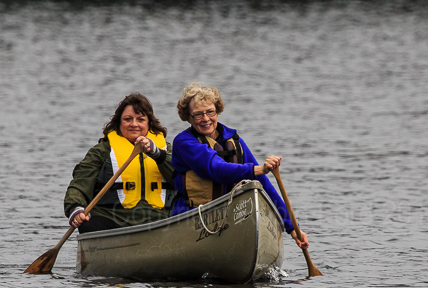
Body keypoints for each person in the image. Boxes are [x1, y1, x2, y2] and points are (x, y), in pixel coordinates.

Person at [171, 82, 308, 248]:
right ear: (188, 117)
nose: (206, 119)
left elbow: (263, 185)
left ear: (217, 111)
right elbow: (216, 169)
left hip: (229, 217)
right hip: (193, 216)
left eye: (210, 112)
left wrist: (292, 227)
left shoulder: (234, 140)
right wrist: (258, 169)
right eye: (198, 115)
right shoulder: (184, 142)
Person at [64, 93, 174, 232]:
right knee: (88, 225)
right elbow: (80, 183)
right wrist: (75, 208)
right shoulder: (102, 151)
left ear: (149, 123)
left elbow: (182, 179)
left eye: (140, 119)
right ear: (119, 122)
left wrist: (158, 155)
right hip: (113, 221)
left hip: (159, 220)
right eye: (128, 119)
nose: (134, 124)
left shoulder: (166, 150)